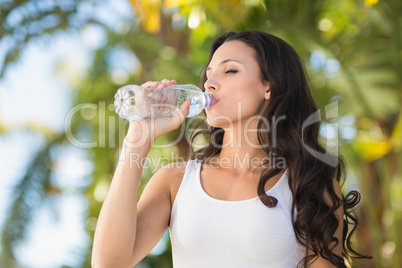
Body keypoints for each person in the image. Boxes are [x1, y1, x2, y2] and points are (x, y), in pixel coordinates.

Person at [92, 31, 368, 268]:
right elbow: (109, 263)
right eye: (209, 73)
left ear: (268, 86)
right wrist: (138, 139)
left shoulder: (310, 186)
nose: (209, 83)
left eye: (230, 70)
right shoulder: (174, 181)